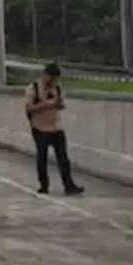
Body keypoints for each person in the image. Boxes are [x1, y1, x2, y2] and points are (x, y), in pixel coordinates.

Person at [26, 63, 84, 196]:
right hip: (40, 127)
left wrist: (57, 104)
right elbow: (28, 108)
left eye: (55, 79)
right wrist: (45, 105)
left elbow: (62, 104)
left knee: (63, 157)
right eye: (51, 78)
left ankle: (69, 185)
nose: (52, 82)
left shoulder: (57, 88)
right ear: (45, 75)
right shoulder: (33, 88)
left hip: (56, 127)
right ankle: (44, 185)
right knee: (42, 157)